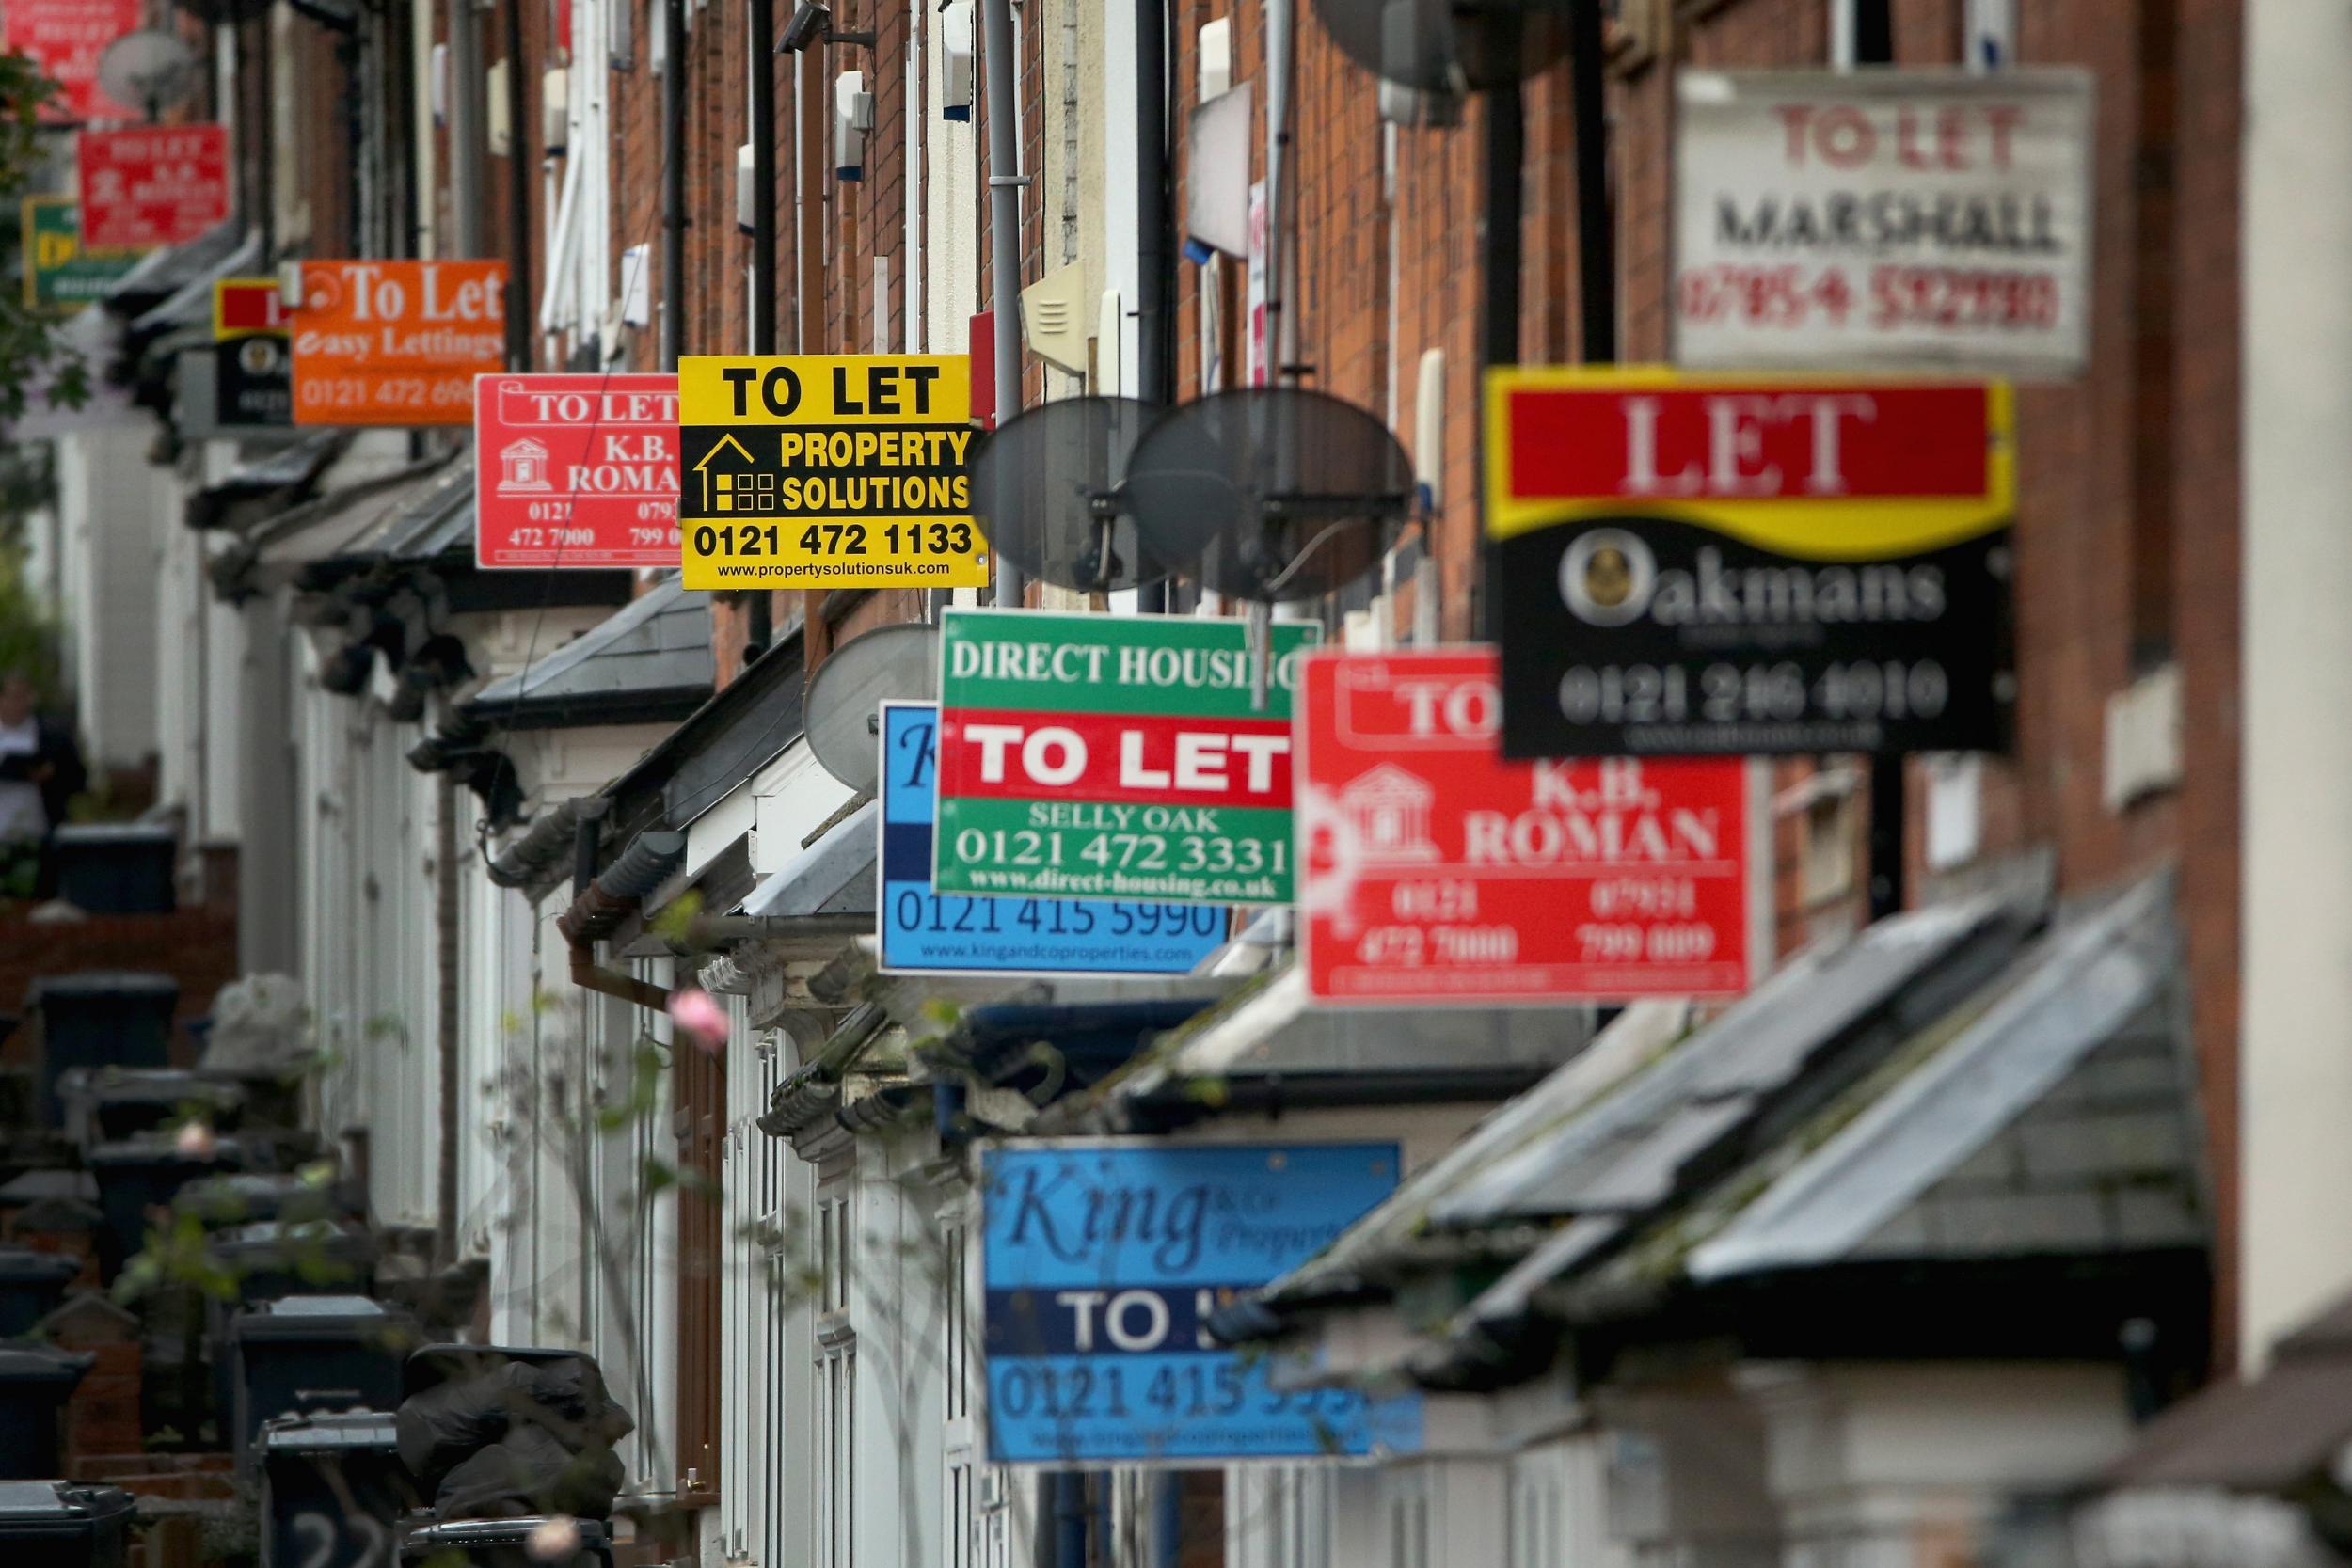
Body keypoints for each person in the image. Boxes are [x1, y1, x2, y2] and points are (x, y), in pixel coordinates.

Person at [0, 673, 84, 898]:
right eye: (15, 697)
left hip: (39, 833)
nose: (22, 704)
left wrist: (51, 774)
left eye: (26, 697)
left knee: (38, 894)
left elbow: (78, 779)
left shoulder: (52, 735)